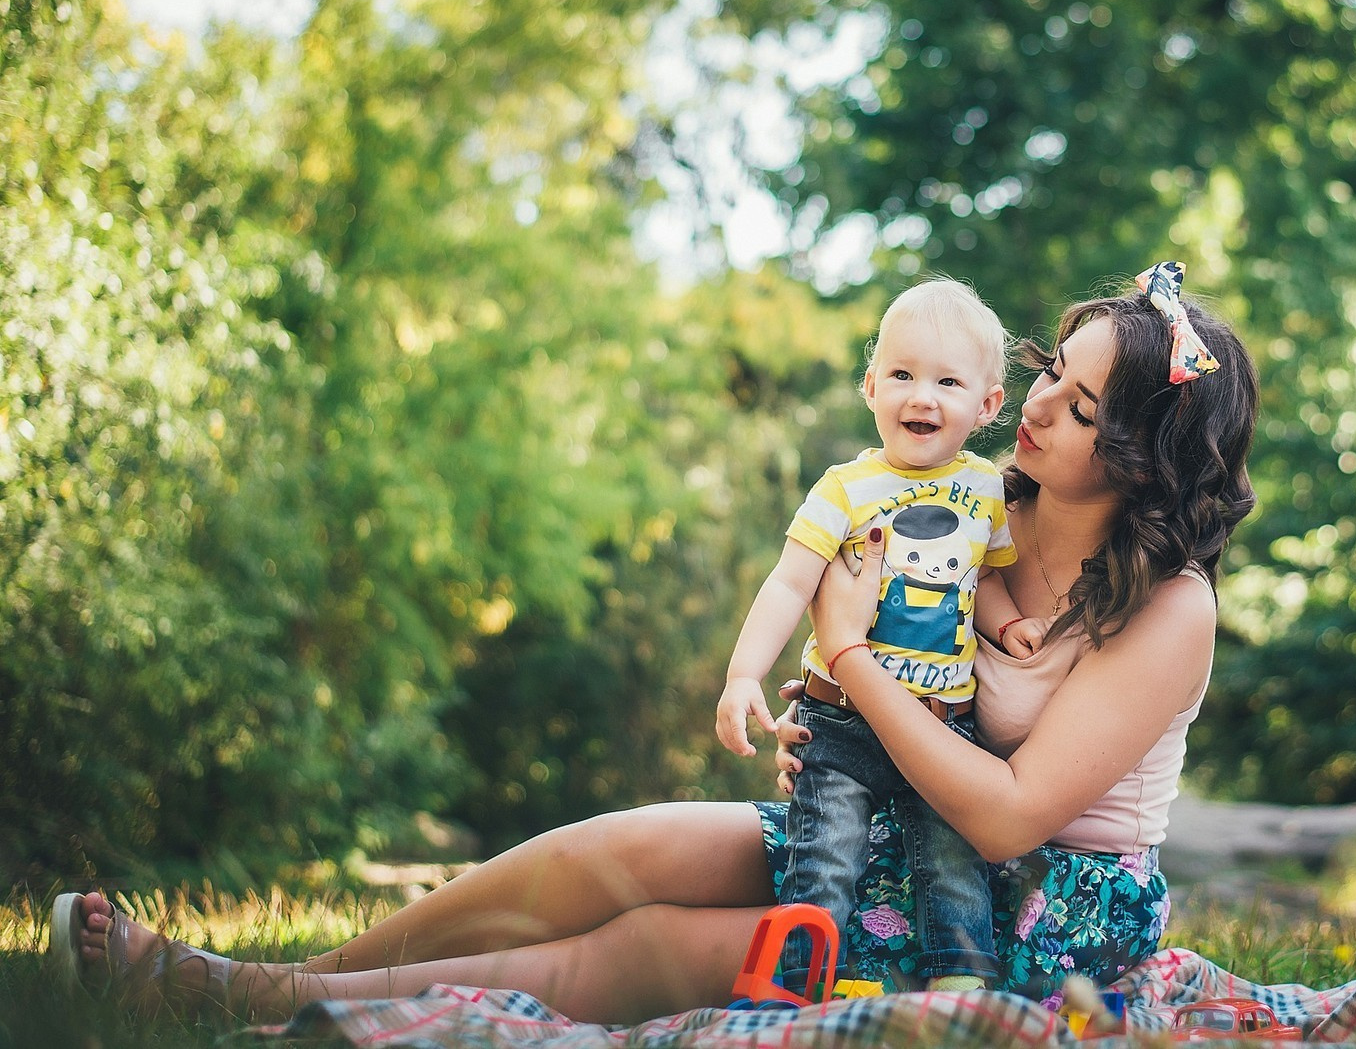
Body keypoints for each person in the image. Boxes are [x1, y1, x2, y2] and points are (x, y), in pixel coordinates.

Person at [48, 262, 1258, 1026]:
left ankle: (252, 1001)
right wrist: (829, 722)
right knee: (623, 846)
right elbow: (884, 643)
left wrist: (852, 664)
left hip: (1028, 914)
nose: (1037, 406)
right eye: (1050, 374)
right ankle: (277, 977)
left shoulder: (1169, 612)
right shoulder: (987, 507)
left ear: (1144, 456)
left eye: (1081, 406)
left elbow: (1006, 815)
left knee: (656, 944)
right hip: (897, 817)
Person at [714, 278, 1032, 994]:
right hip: (844, 723)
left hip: (943, 725)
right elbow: (790, 584)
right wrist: (742, 675)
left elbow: (984, 583)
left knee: (953, 864)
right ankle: (796, 989)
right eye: (902, 374)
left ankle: (963, 993)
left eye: (948, 380)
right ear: (870, 386)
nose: (922, 395)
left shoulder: (986, 489)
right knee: (823, 860)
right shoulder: (845, 488)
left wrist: (1009, 624)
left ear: (986, 405)